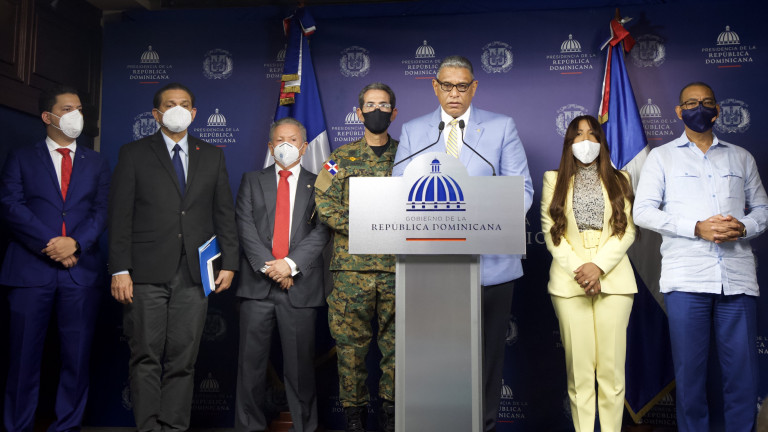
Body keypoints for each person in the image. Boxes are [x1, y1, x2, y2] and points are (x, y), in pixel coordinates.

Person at [392, 55, 533, 432]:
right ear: (435, 87)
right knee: (437, 356)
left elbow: (522, 190)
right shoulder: (415, 130)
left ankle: (483, 426)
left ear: (474, 88)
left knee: (487, 358)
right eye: (447, 85)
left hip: (491, 266)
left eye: (462, 86)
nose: (454, 93)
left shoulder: (501, 127)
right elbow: (399, 191)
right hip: (430, 268)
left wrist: (480, 222)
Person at [634, 82, 768, 432]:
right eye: (691, 103)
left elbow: (763, 210)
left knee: (742, 375)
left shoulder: (741, 157)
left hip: (737, 279)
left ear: (717, 110)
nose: (700, 108)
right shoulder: (662, 157)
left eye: (707, 102)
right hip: (686, 279)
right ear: (679, 112)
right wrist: (696, 227)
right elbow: (642, 212)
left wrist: (743, 226)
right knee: (690, 377)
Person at [108, 82, 239, 431]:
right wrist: (119, 269)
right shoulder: (133, 153)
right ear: (156, 113)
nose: (177, 109)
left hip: (194, 274)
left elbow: (223, 213)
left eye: (184, 104)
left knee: (184, 359)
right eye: (169, 104)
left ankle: (174, 427)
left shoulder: (212, 155)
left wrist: (230, 263)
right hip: (144, 272)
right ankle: (149, 427)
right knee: (145, 356)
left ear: (194, 113)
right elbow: (120, 216)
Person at [0, 85, 110, 432]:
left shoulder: (97, 162)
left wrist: (75, 244)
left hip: (81, 272)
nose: (76, 115)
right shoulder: (21, 156)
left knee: (76, 359)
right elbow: (10, 205)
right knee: (22, 359)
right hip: (30, 271)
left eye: (79, 109)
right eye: (67, 109)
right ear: (47, 116)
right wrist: (52, 245)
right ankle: (18, 426)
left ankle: (67, 427)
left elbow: (102, 210)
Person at [540, 115, 636, 432]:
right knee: (580, 372)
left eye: (592, 134)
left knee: (611, 370)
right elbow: (551, 231)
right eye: (578, 134)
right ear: (569, 142)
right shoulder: (553, 179)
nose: (585, 141)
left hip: (614, 280)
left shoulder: (621, 178)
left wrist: (599, 267)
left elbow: (628, 231)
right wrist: (581, 271)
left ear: (601, 141)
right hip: (569, 283)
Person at [234, 117, 330, 432]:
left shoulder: (320, 182)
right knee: (250, 368)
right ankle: (249, 427)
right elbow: (245, 227)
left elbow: (322, 230)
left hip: (300, 287)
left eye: (292, 140)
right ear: (270, 145)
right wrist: (273, 268)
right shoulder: (251, 180)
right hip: (257, 287)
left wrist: (290, 264)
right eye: (279, 140)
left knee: (301, 371)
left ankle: (305, 428)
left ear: (304, 147)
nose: (285, 145)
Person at [314, 82, 399, 432]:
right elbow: (323, 203)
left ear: (394, 112)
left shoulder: (409, 157)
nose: (377, 110)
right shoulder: (339, 159)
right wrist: (366, 225)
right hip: (352, 272)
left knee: (398, 348)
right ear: (359, 112)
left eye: (384, 105)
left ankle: (393, 417)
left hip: (397, 268)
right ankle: (355, 421)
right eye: (370, 105)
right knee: (350, 350)